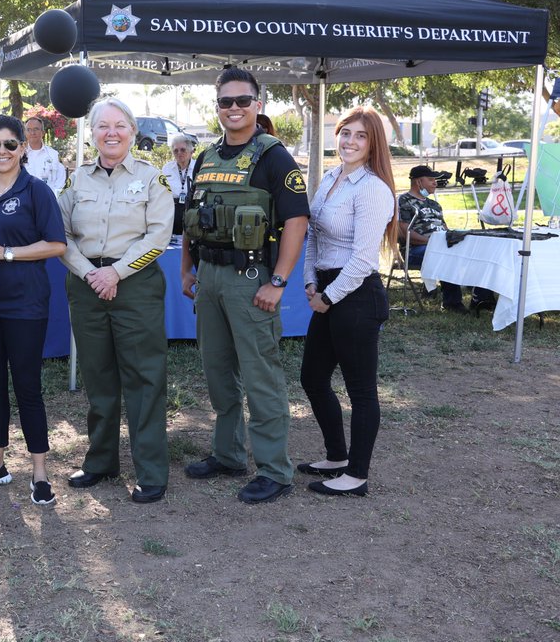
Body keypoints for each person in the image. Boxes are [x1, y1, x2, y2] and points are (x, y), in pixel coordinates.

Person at [179, 68, 309, 505]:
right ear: (216, 107)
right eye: (225, 102)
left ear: (258, 104)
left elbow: (296, 221)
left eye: (242, 101)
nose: (233, 108)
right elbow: (191, 219)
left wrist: (279, 281)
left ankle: (274, 470)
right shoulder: (205, 157)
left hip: (252, 281)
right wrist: (187, 269)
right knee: (217, 371)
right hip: (210, 279)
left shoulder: (274, 156)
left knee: (260, 376)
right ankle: (228, 454)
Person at [58, 99, 174, 504]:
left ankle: (151, 471)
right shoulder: (76, 181)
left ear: (132, 131)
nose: (111, 133)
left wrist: (116, 273)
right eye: (102, 126)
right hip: (86, 286)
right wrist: (90, 273)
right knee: (98, 376)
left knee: (144, 378)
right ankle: (101, 461)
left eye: (120, 125)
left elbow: (158, 236)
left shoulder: (152, 178)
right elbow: (60, 235)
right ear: (92, 134)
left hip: (135, 286)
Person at [0, 115, 66, 505]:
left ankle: (40, 474)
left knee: (27, 387)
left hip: (25, 305)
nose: (2, 151)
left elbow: (56, 244)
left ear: (23, 147)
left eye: (10, 144)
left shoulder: (37, 191)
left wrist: (5, 253)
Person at [300, 107, 396, 497]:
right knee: (312, 378)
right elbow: (313, 236)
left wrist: (328, 296)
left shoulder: (373, 189)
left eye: (360, 136)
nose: (350, 141)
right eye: (345, 133)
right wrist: (310, 281)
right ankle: (337, 457)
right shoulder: (329, 178)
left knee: (361, 390)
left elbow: (362, 258)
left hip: (356, 297)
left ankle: (356, 476)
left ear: (373, 144)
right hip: (326, 289)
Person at [398, 165, 495, 313]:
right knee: (448, 255)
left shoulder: (435, 205)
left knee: (476, 251)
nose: (435, 183)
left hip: (440, 246)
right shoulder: (403, 201)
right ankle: (452, 303)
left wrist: (454, 239)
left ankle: (481, 299)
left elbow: (445, 229)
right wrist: (435, 243)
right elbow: (404, 232)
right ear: (418, 182)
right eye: (430, 179)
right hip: (414, 250)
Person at [160, 133, 196, 236]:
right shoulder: (167, 168)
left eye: (183, 150)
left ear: (190, 152)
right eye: (176, 150)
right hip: (172, 209)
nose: (179, 153)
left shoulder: (198, 167)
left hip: (191, 208)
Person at [23, 115, 66, 194]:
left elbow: (60, 182)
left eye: (36, 129)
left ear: (43, 132)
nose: (32, 133)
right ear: (25, 133)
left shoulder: (53, 155)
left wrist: (51, 198)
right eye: (29, 130)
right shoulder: (19, 154)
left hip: (48, 198)